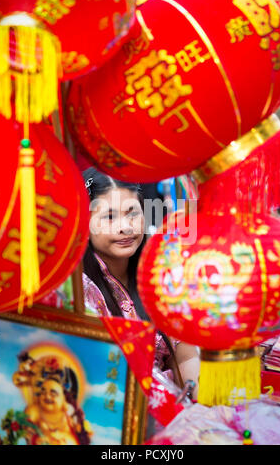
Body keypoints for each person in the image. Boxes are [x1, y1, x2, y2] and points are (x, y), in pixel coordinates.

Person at [82, 168, 200, 393]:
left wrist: (197, 395)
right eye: (109, 217)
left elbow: (183, 349)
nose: (125, 227)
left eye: (132, 213)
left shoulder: (158, 271)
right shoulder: (82, 289)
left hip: (173, 405)